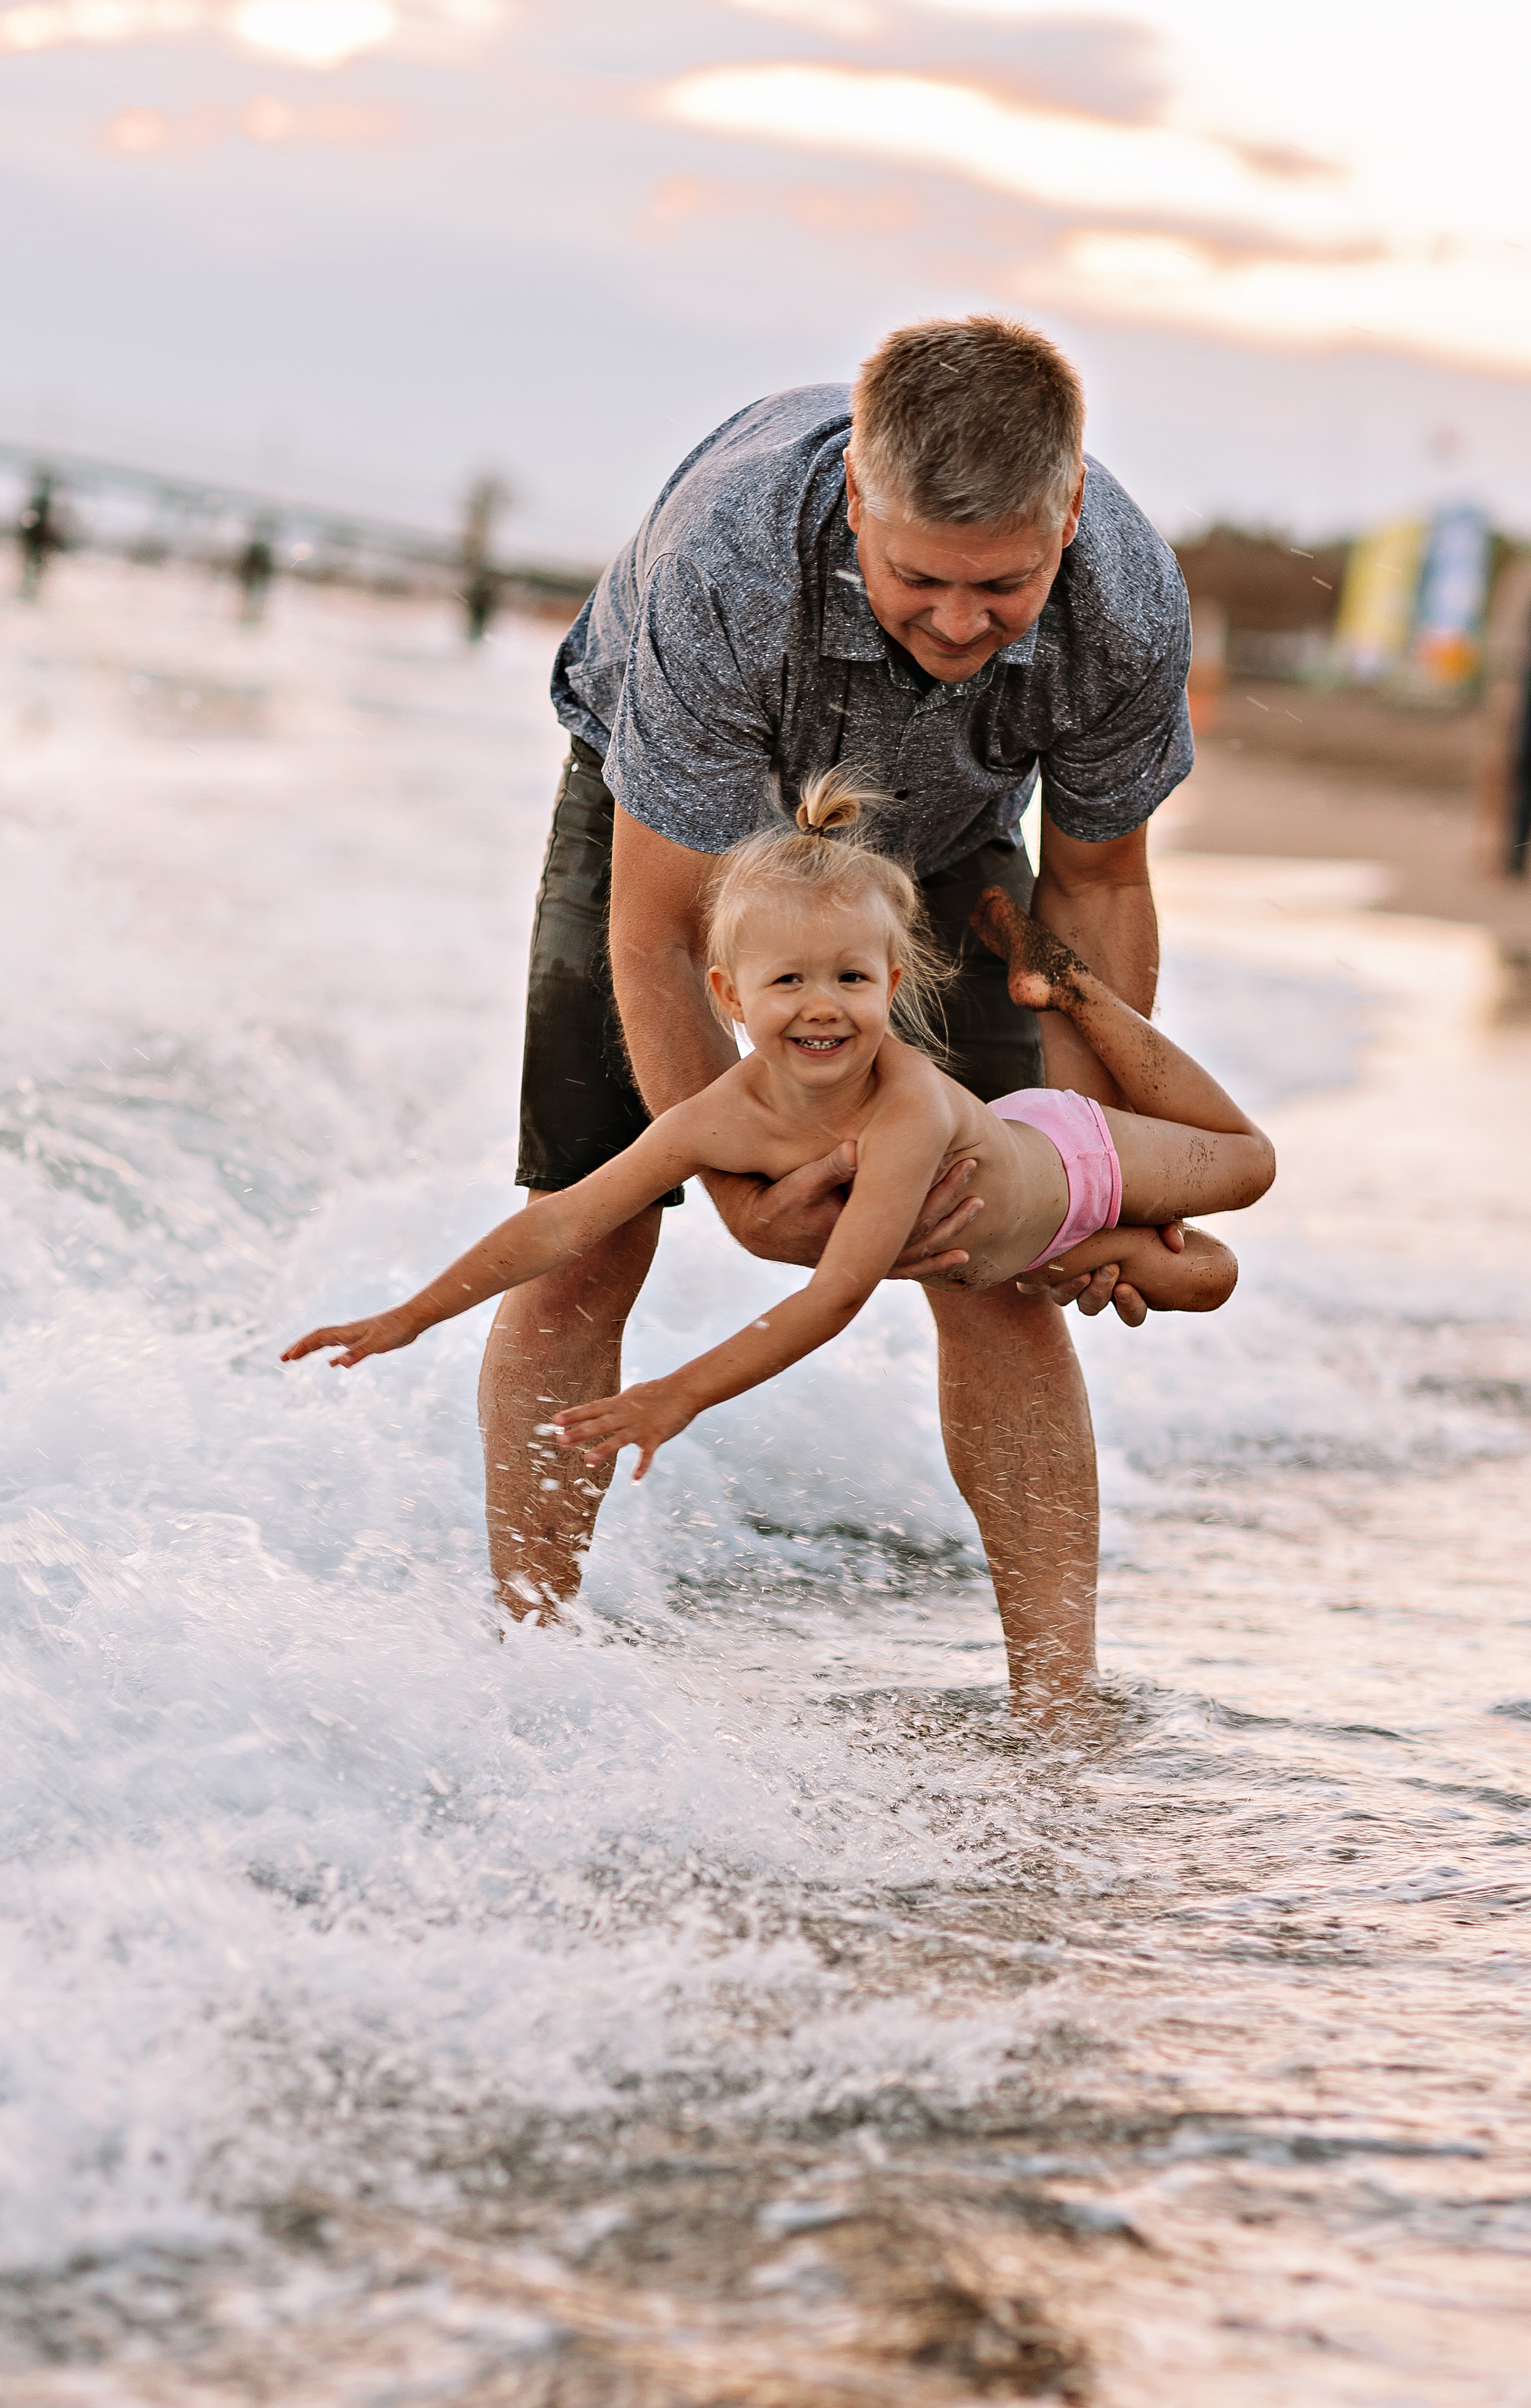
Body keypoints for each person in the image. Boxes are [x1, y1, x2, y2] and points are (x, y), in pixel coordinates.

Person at [478, 315, 1197, 1709]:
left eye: (1003, 586)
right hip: (682, 830)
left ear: (1065, 518)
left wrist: (1081, 1170)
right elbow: (660, 934)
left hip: (948, 829)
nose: (957, 621)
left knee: (993, 1254)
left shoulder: (1126, 603)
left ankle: (1057, 1715)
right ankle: (526, 1666)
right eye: (918, 577)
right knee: (592, 1228)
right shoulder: (729, 560)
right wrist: (739, 1182)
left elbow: (1099, 889)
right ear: (857, 501)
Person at [283, 778, 1272, 1503]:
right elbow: (564, 1222)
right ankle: (1111, 1240)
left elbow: (836, 1294)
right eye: (788, 981)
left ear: (893, 985)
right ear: (729, 994)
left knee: (1248, 1167)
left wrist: (679, 1394)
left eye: (852, 978)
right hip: (1028, 1240)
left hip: (1073, 1157)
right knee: (1208, 1275)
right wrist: (410, 1316)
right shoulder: (720, 1115)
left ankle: (1074, 990)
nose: (821, 1006)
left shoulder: (910, 1107)